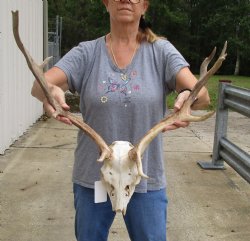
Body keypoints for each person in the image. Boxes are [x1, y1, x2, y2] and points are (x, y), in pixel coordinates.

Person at [31, 0, 210, 240]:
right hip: (95, 177)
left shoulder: (161, 51)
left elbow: (203, 95)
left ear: (144, 5)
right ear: (106, 3)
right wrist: (51, 92)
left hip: (145, 178)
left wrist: (188, 97)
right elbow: (39, 85)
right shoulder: (87, 53)